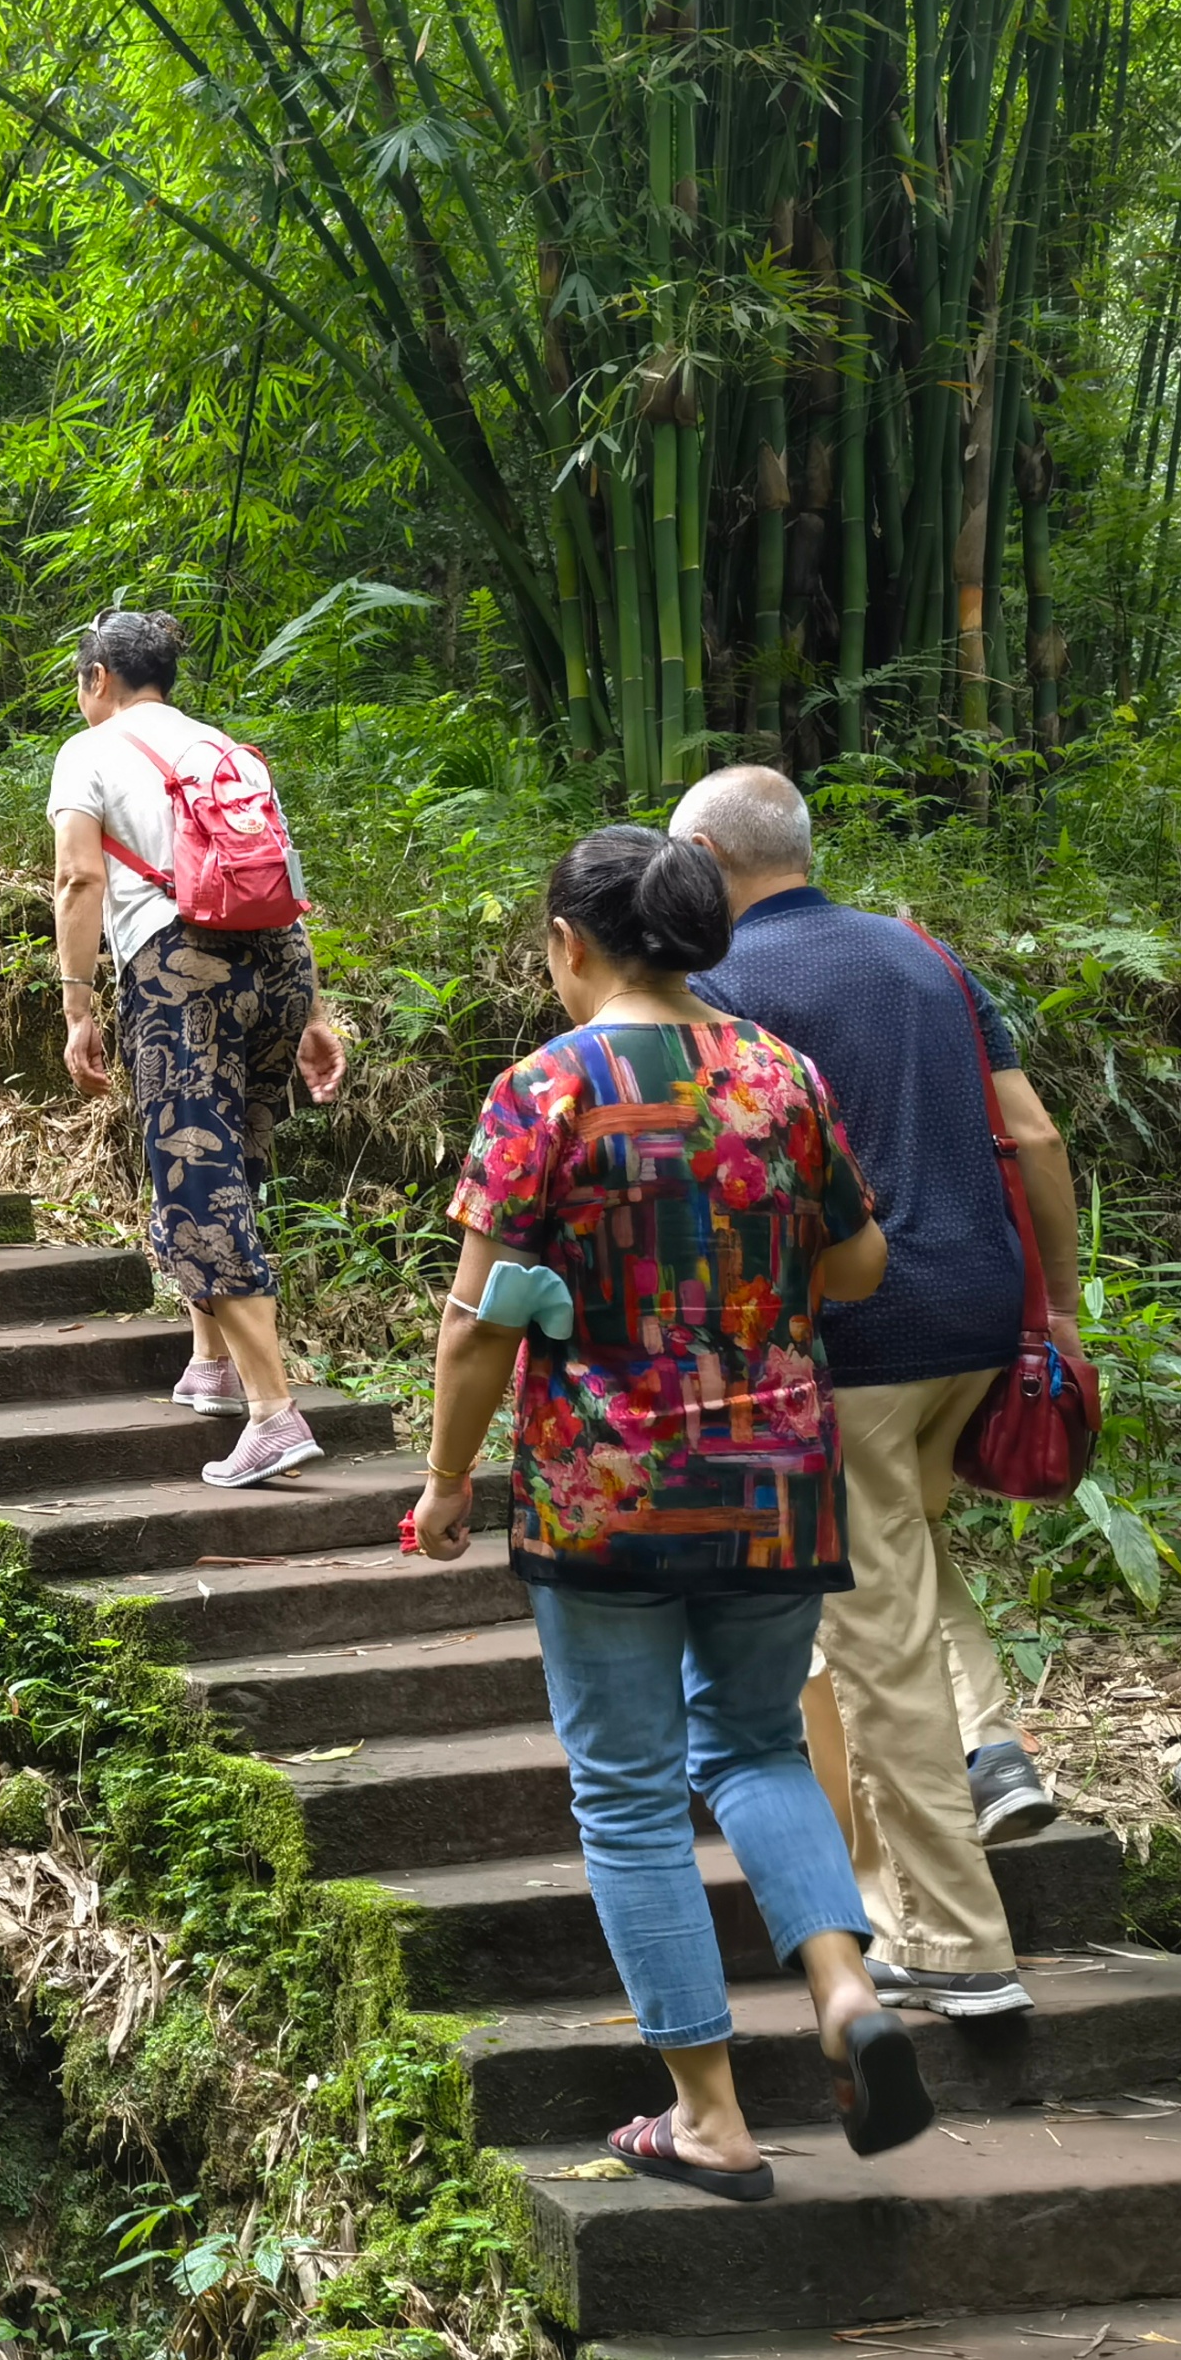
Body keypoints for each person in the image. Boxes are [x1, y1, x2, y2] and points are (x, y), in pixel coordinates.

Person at [408, 825, 930, 2192]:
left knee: (629, 1795)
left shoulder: (543, 1090)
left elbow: (473, 1328)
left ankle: (705, 2115)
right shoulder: (780, 1076)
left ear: (567, 945)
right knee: (754, 1743)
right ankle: (837, 1988)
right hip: (774, 1476)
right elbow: (861, 1260)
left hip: (605, 1487)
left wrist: (448, 1478)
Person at [674, 762, 1080, 2019]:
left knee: (876, 1644)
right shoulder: (926, 960)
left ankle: (958, 1948)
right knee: (896, 1556)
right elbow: (1041, 1137)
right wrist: (1056, 1310)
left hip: (852, 1334)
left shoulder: (719, 990)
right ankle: (988, 1737)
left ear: (703, 864)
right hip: (978, 1315)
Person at [48, 610, 347, 1488]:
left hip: (181, 970)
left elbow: (76, 876)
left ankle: (272, 1412)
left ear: (98, 677)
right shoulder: (227, 749)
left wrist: (76, 1006)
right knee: (234, 1158)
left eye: (79, 680)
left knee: (194, 1174)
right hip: (278, 967)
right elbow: (284, 880)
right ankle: (210, 1364)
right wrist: (314, 1014)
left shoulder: (89, 750)